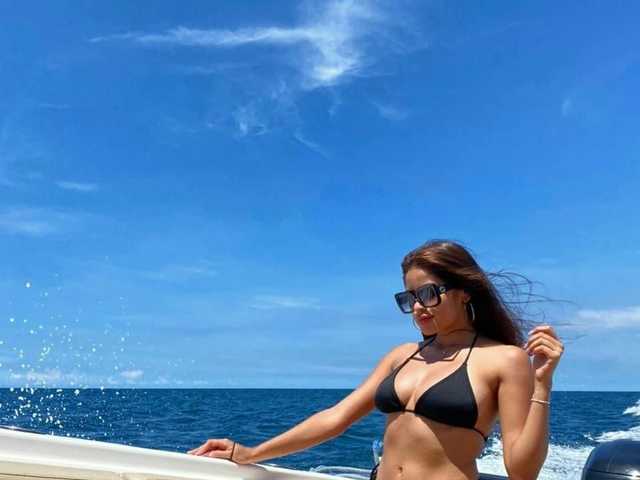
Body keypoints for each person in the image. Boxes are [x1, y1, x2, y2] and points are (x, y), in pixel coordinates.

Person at [189, 240, 564, 480]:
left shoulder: (504, 359)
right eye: (409, 298)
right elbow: (336, 418)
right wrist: (252, 452)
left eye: (428, 294)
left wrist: (542, 384)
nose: (417, 307)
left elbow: (522, 471)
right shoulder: (402, 355)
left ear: (464, 292)